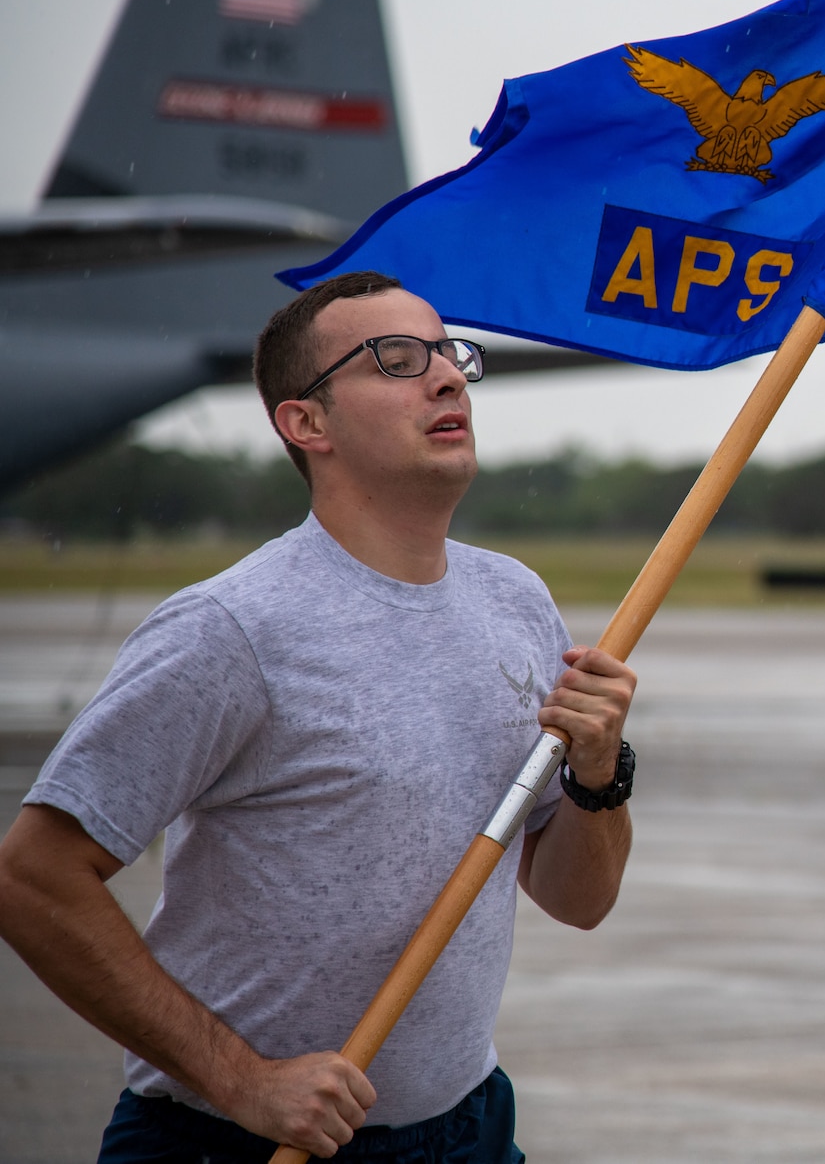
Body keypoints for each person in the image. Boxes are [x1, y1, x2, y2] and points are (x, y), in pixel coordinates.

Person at [0, 271, 638, 1162]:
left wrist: (599, 776)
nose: (449, 376)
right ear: (307, 423)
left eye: (448, 353)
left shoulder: (518, 600)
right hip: (233, 1140)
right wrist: (244, 1081)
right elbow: (32, 876)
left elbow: (578, 899)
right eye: (396, 359)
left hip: (471, 1127)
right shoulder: (232, 629)